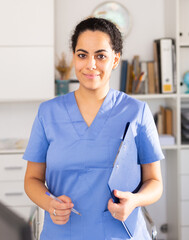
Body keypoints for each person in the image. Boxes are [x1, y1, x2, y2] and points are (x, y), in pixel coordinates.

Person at [23, 17, 164, 240]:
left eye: (100, 56)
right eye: (82, 55)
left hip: (120, 234)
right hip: (63, 233)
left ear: (115, 59)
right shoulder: (48, 113)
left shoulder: (137, 112)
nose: (90, 65)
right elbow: (32, 180)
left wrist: (134, 201)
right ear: (73, 58)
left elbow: (155, 182)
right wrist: (50, 203)